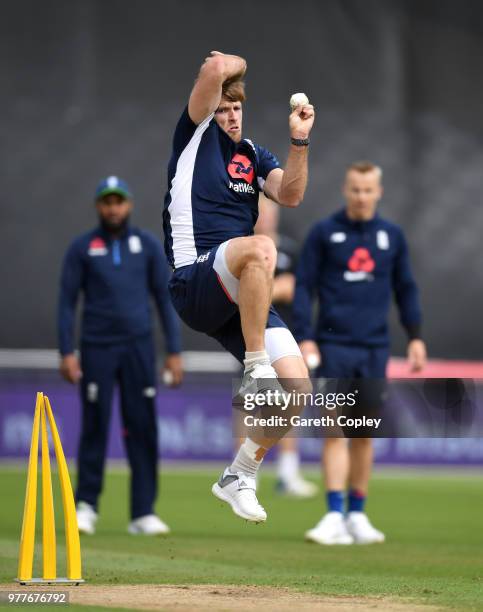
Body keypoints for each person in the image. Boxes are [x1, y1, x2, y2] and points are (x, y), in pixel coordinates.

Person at [163, 51, 315, 523]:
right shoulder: (194, 136)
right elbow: (213, 71)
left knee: (297, 389)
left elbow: (289, 194)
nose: (230, 115)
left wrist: (298, 140)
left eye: (236, 108)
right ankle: (254, 368)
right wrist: (235, 61)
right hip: (195, 278)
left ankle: (240, 472)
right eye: (223, 107)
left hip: (238, 291)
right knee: (262, 247)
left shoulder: (252, 154)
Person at [293, 161, 427, 544]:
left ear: (378, 192)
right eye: (355, 189)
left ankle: (357, 515)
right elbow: (303, 287)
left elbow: (406, 288)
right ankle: (333, 514)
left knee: (363, 433)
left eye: (368, 190)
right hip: (333, 346)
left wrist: (415, 336)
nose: (361, 196)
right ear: (345, 189)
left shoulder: (392, 236)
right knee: (334, 431)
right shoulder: (324, 233)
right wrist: (305, 336)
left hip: (374, 347)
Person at [58, 176, 183, 536]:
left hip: (138, 349)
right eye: (107, 202)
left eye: (119, 201)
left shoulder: (145, 246)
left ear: (128, 205)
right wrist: (67, 350)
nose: (113, 208)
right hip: (97, 348)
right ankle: (86, 505)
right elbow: (67, 302)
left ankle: (143, 511)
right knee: (95, 425)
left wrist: (173, 351)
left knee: (142, 427)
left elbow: (164, 299)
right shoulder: (82, 248)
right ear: (99, 206)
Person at [255, 194, 318, 498]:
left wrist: (269, 292)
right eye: (259, 212)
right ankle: (244, 475)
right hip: (250, 337)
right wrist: (273, 290)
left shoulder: (290, 251)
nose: (265, 218)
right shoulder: (243, 249)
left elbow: (297, 289)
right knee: (250, 406)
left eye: (269, 213)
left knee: (292, 400)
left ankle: (288, 473)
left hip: (285, 336)